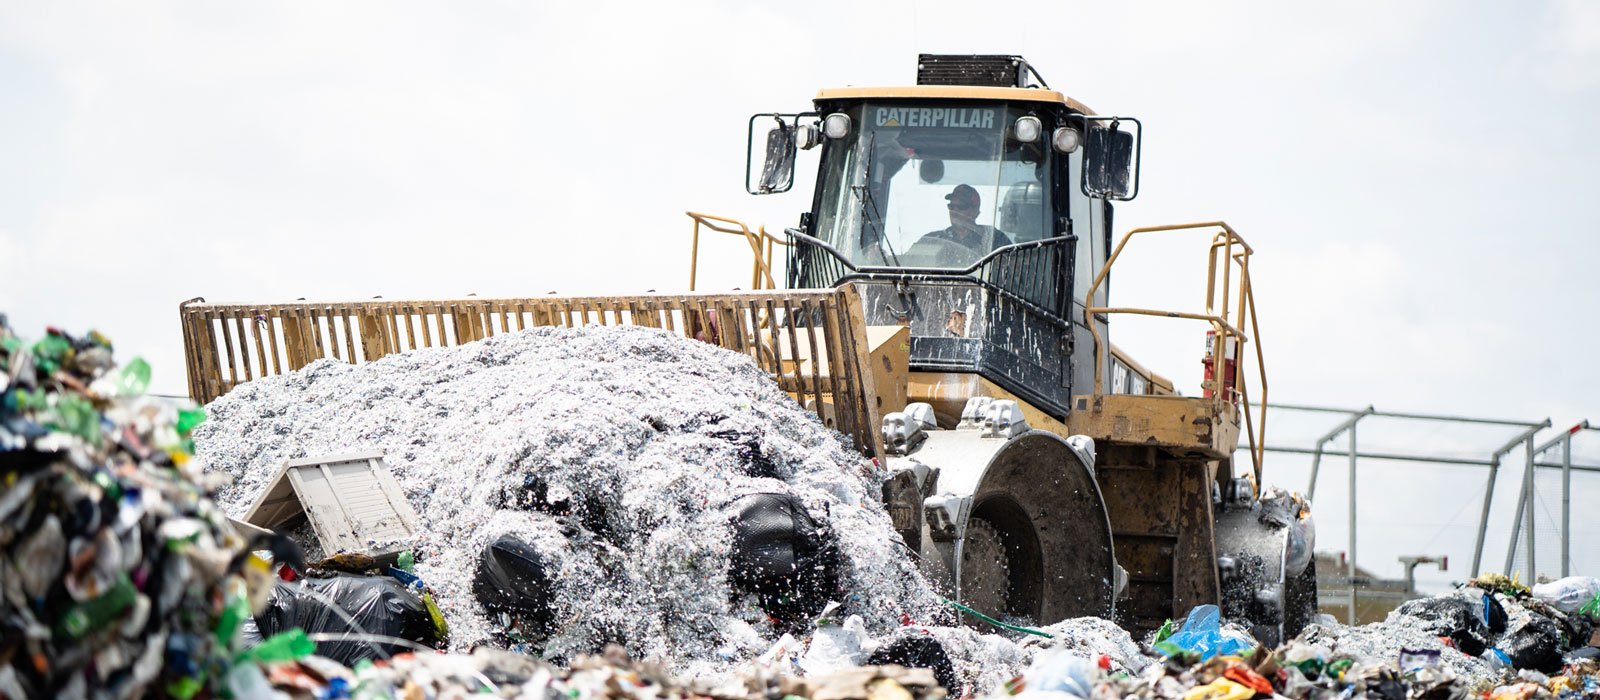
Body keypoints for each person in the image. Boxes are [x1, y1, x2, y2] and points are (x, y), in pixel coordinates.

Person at [918, 184, 1012, 255]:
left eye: (960, 207)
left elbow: (1014, 265)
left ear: (974, 211)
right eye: (951, 206)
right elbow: (909, 263)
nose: (954, 211)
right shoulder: (933, 239)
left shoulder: (993, 238)